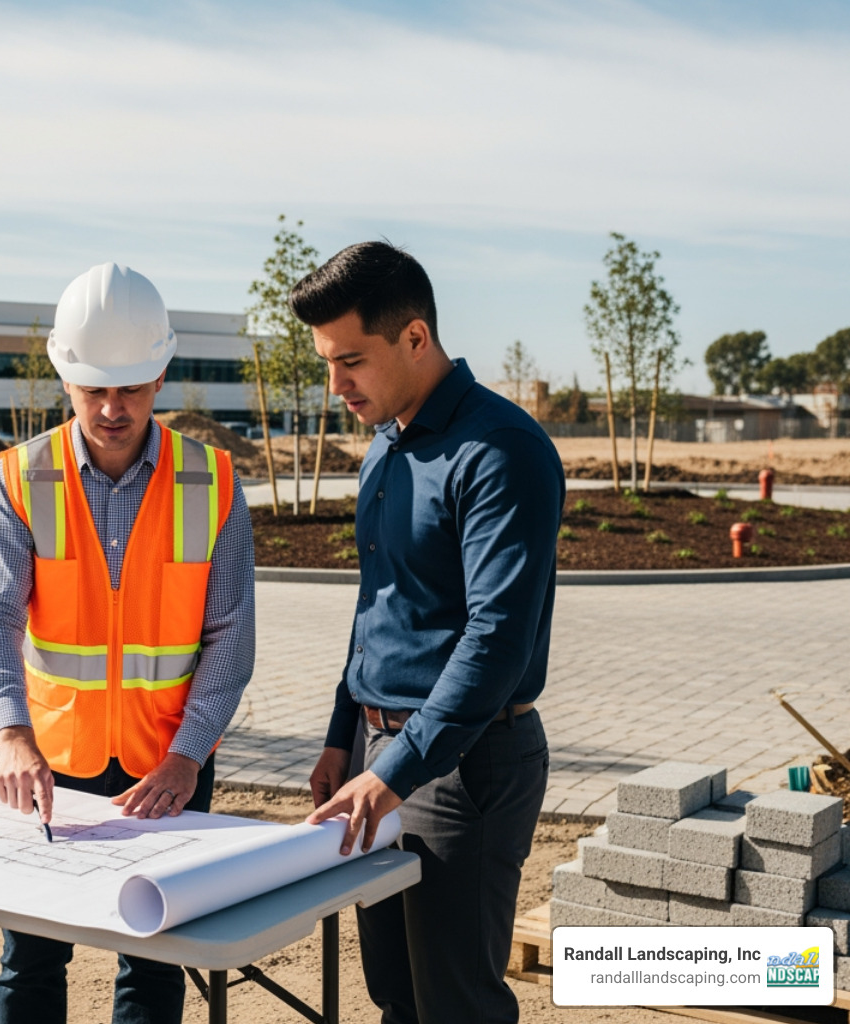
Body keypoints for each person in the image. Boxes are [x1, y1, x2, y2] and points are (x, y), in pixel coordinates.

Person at [0, 262, 255, 1024]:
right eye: (94, 387)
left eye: (128, 386)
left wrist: (189, 755)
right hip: (49, 760)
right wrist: (12, 735)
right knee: (30, 961)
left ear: (160, 374)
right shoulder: (19, 479)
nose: (111, 406)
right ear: (66, 376)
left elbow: (230, 634)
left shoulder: (215, 481)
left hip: (170, 766)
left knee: (154, 966)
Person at [296, 242, 563, 1024]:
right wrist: (343, 738)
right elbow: (376, 606)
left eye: (351, 362)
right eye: (325, 364)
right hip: (383, 757)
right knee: (397, 997)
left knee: (456, 1006)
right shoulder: (385, 445)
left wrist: (398, 768)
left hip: (466, 766)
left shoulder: (501, 451)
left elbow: (497, 638)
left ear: (415, 338)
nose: (335, 385)